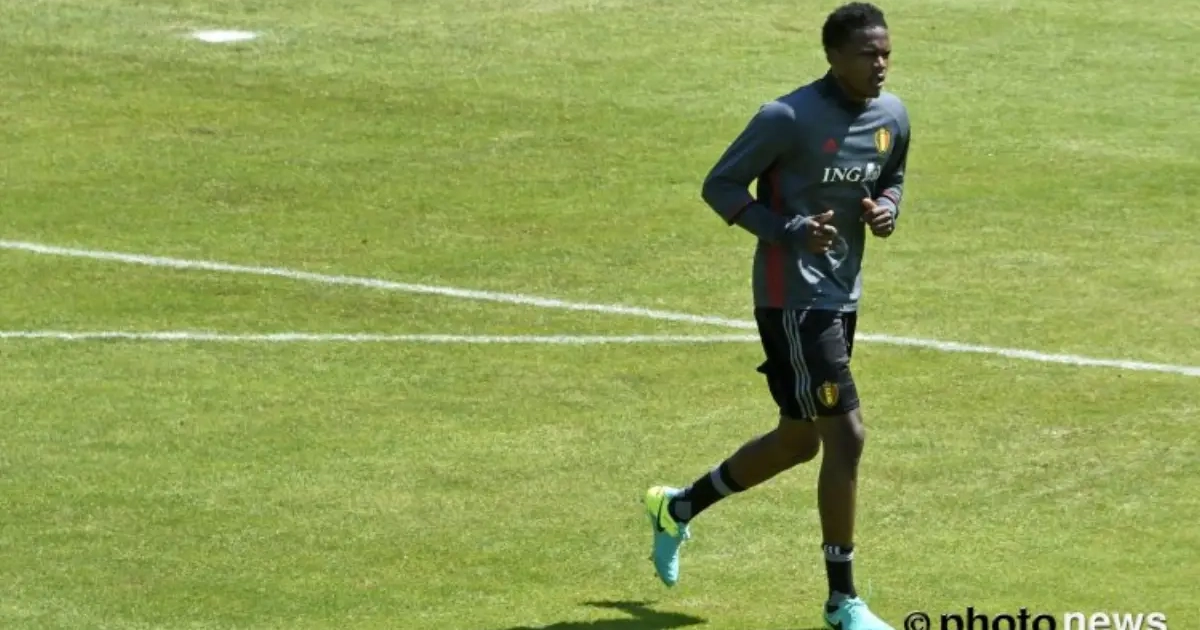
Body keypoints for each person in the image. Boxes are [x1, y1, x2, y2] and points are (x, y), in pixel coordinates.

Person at [641, 3, 910, 629]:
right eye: (867, 54)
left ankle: (677, 509)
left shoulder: (892, 115)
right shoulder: (786, 118)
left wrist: (887, 209)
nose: (880, 65)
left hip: (842, 294)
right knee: (847, 436)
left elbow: (891, 175)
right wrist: (788, 229)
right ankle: (842, 601)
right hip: (793, 299)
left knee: (798, 440)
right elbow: (720, 185)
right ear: (833, 57)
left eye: (886, 54)